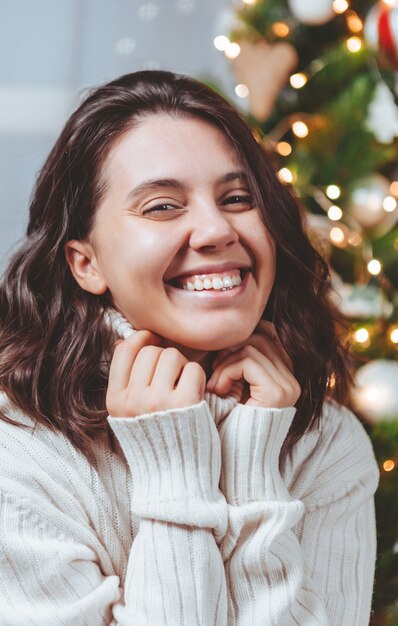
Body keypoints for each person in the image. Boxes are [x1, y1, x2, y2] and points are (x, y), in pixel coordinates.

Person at [0, 70, 378, 626]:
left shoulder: (327, 442)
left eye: (238, 197)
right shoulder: (19, 453)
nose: (216, 229)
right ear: (87, 263)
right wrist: (173, 470)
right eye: (161, 207)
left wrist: (252, 465)